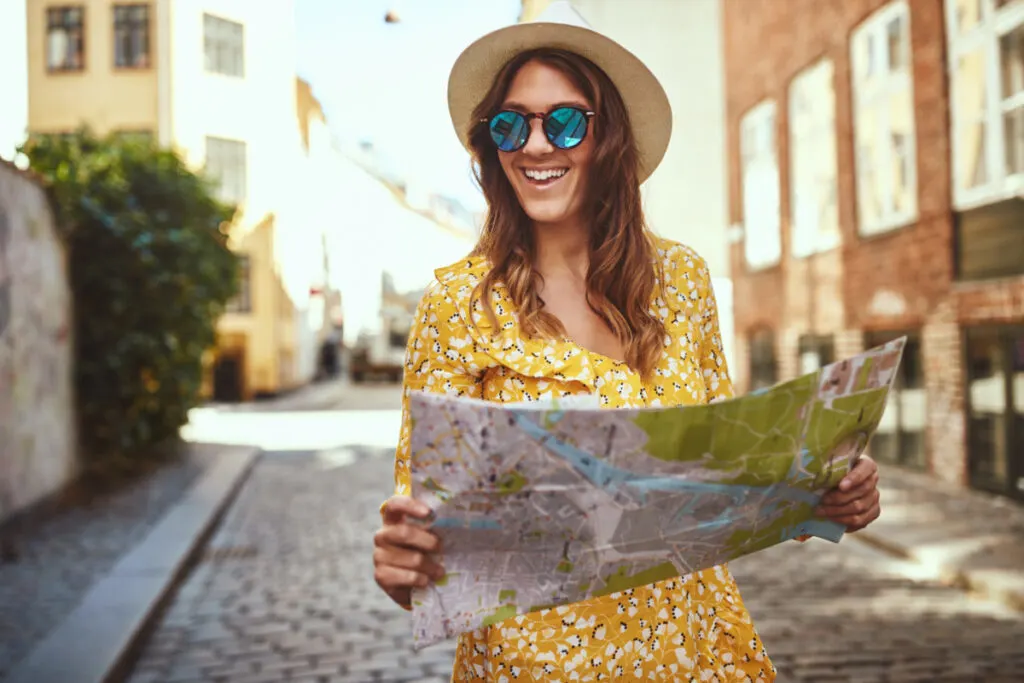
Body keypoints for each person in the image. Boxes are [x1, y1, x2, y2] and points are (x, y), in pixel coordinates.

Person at [373, 3, 882, 680]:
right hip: (536, 668)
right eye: (510, 124)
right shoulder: (456, 308)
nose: (534, 144)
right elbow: (423, 543)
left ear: (605, 133)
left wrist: (829, 492)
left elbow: (724, 478)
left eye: (562, 120)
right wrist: (401, 567)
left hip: (697, 653)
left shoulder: (684, 280)